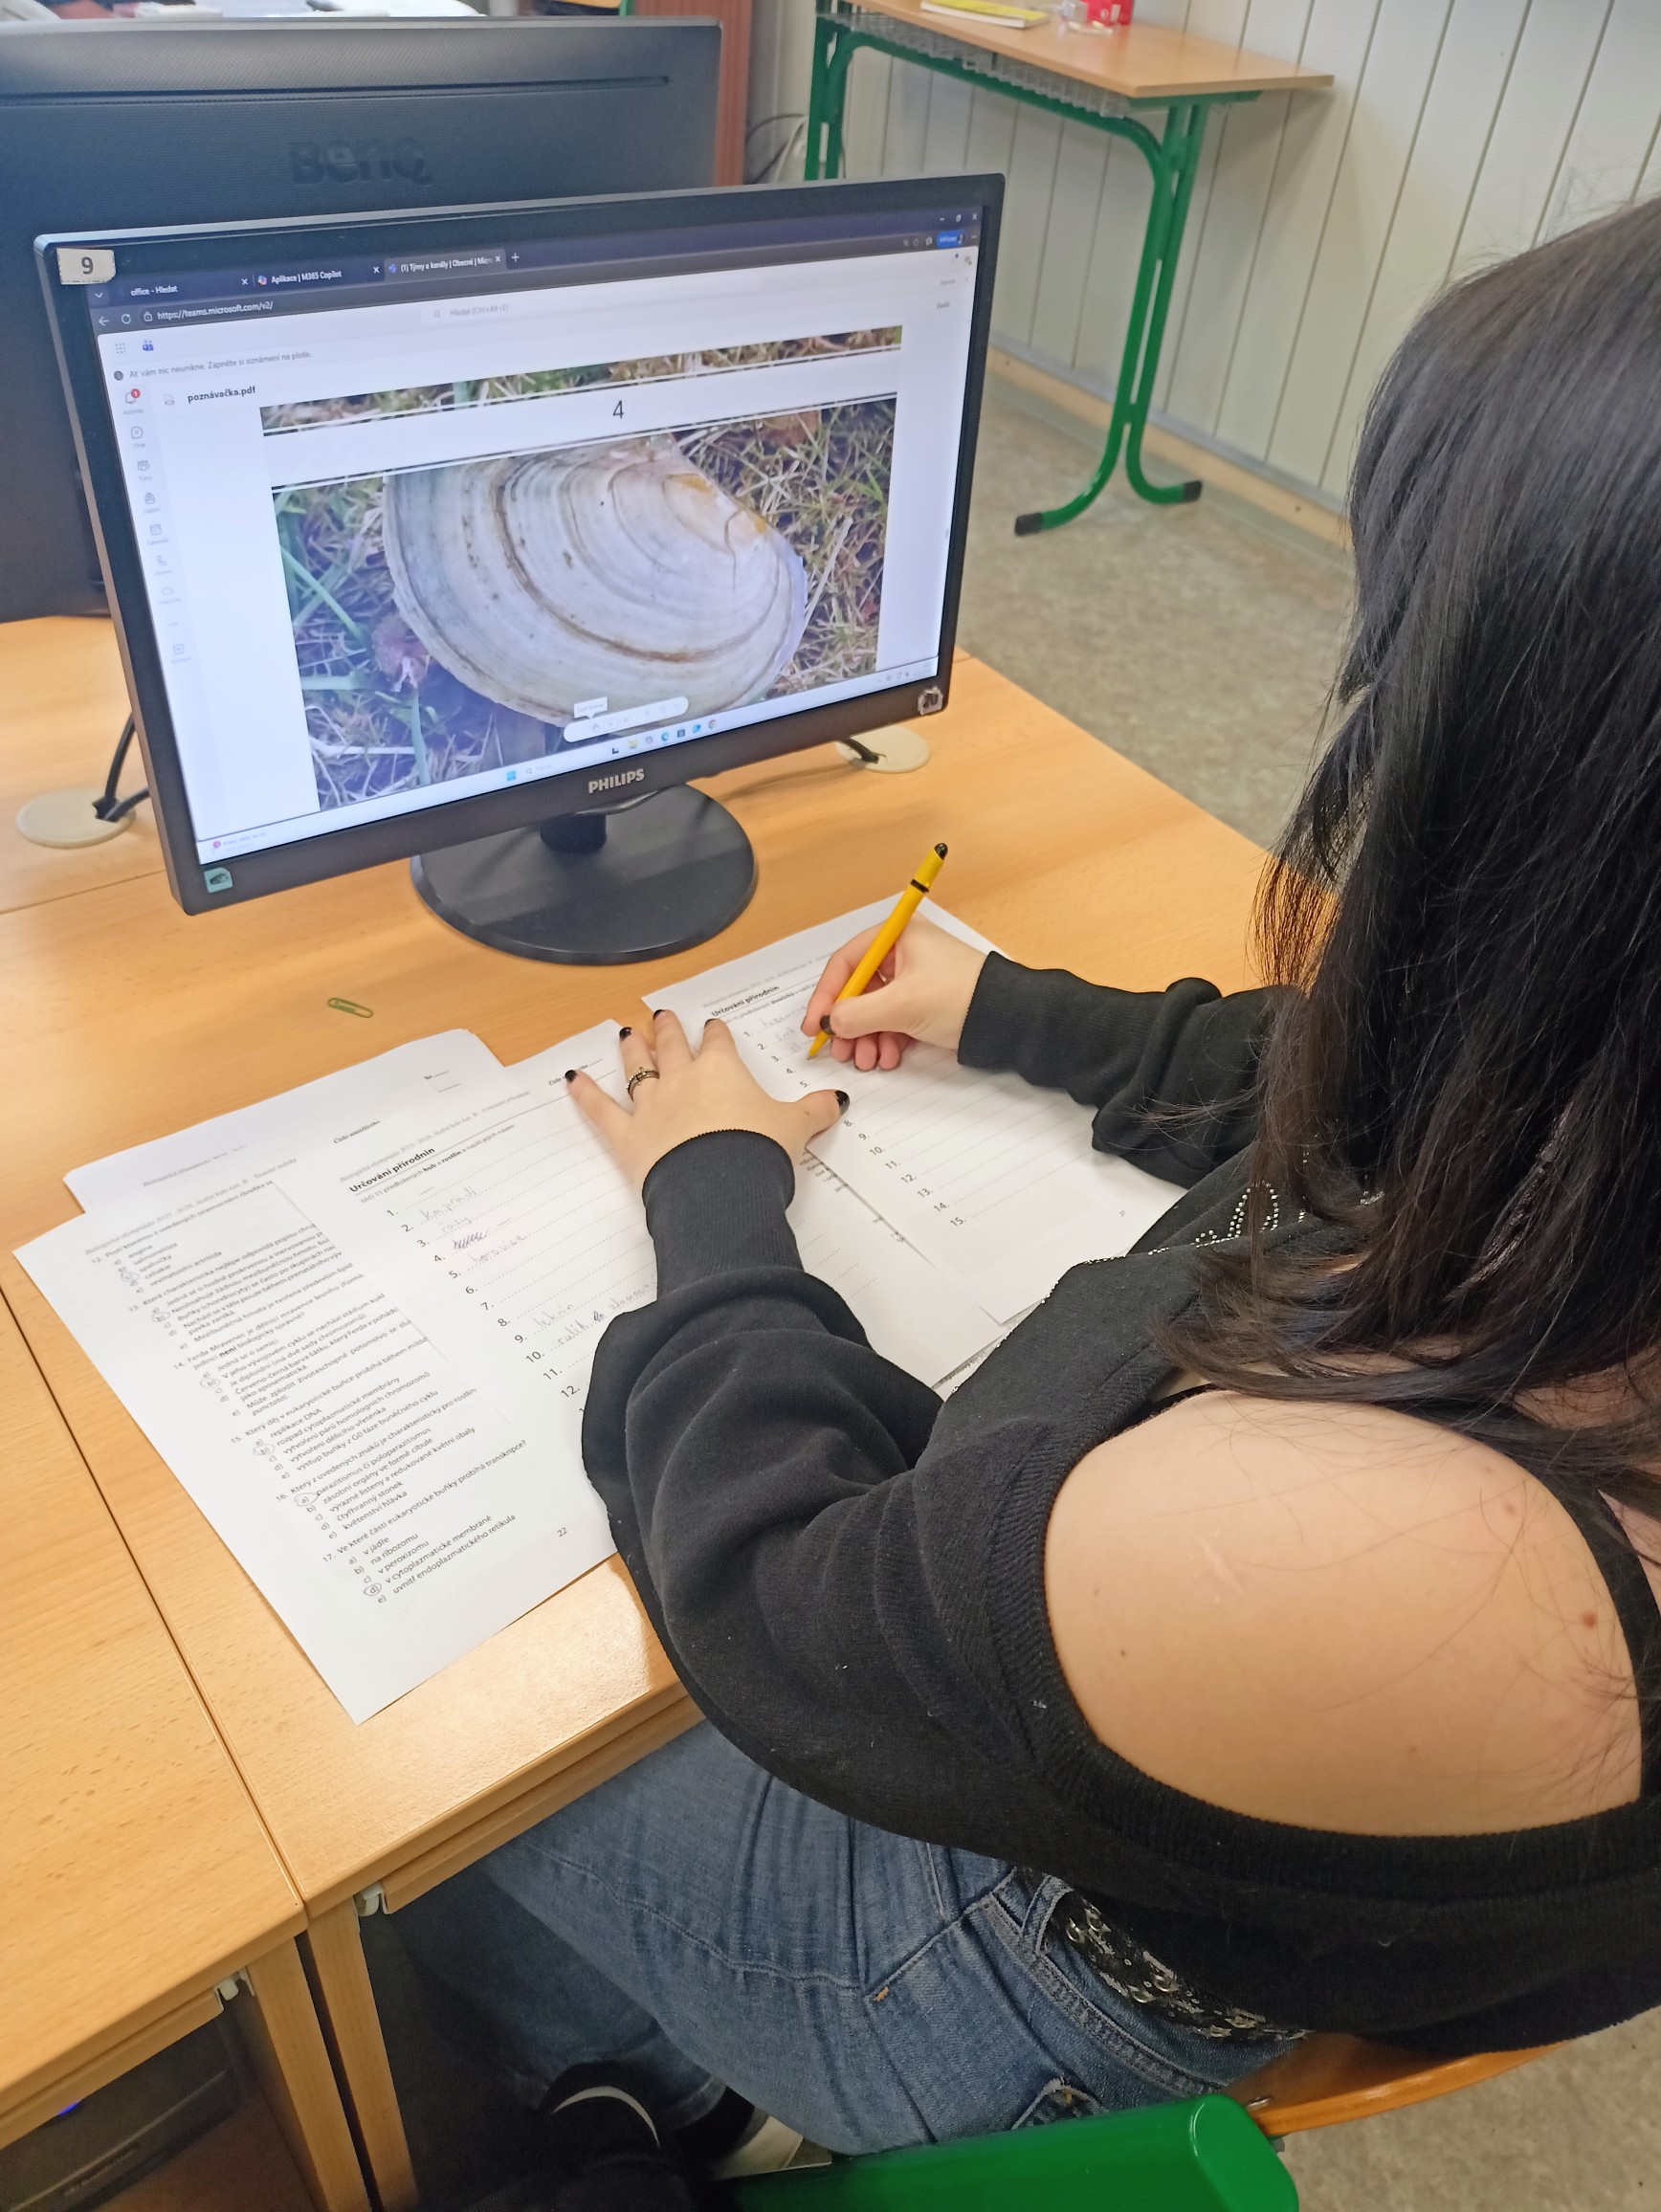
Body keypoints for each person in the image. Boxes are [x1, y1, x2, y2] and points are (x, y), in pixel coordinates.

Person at [400, 191, 1661, 2157]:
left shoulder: (1411, 1562)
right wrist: (1017, 1014)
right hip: (1187, 1761)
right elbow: (1391, 1076)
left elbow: (779, 1596)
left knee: (420, 1806)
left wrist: (714, 1200)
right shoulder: (1599, 1110)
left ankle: (623, 2100)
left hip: (980, 1958)